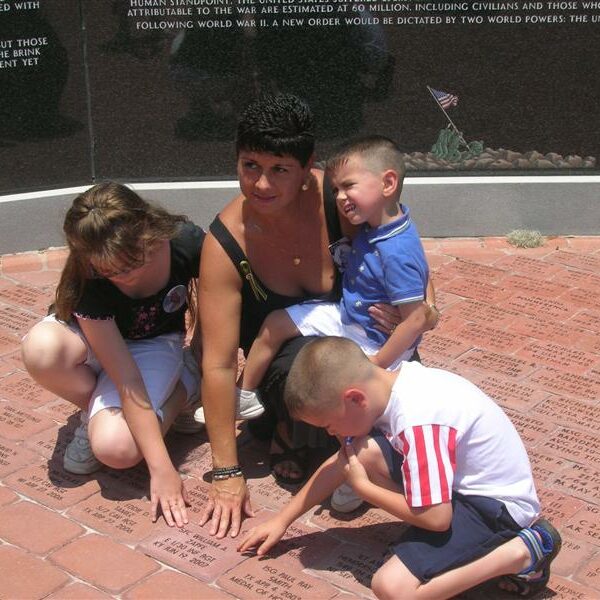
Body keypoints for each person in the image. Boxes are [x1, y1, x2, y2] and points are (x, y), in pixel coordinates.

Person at [196, 93, 438, 539]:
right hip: (287, 367)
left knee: (409, 404)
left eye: (279, 170)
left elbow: (402, 247)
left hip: (360, 340)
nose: (261, 185)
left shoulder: (341, 198)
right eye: (250, 165)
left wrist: (426, 309)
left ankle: (331, 445)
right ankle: (292, 429)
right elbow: (217, 363)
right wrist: (226, 472)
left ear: (308, 166)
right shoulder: (225, 245)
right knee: (325, 367)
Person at [239, 337, 562, 599]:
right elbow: (343, 462)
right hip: (459, 487)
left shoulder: (418, 423)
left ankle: (524, 552)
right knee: (360, 452)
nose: (331, 433)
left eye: (328, 424)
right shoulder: (397, 380)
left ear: (354, 398)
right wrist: (282, 520)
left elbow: (437, 519)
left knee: (392, 588)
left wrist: (365, 489)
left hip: (495, 509)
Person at [21, 182, 204, 528]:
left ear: (148, 230)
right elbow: (126, 378)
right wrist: (162, 467)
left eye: (131, 262)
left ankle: (186, 385)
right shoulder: (90, 277)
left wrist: (161, 470)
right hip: (94, 339)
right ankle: (97, 414)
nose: (122, 278)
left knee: (116, 450)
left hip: (153, 341)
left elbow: (223, 300)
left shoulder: (185, 241)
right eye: (108, 271)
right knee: (40, 349)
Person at [238, 135, 431, 404]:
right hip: (347, 314)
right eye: (335, 190)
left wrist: (377, 362)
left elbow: (416, 319)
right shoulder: (374, 224)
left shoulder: (397, 250)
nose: (340, 198)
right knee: (277, 322)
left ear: (388, 183)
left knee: (348, 400)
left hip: (374, 341)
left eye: (348, 186)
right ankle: (244, 395)